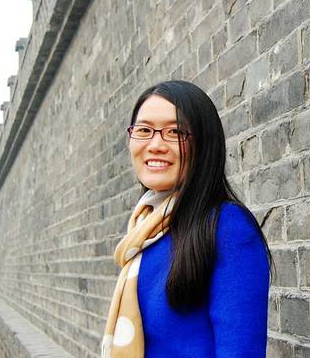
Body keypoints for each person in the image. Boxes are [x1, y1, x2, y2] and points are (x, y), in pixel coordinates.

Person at [101, 80, 271, 358]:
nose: (156, 144)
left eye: (175, 132)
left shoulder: (227, 227)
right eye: (144, 130)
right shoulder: (146, 232)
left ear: (203, 144)